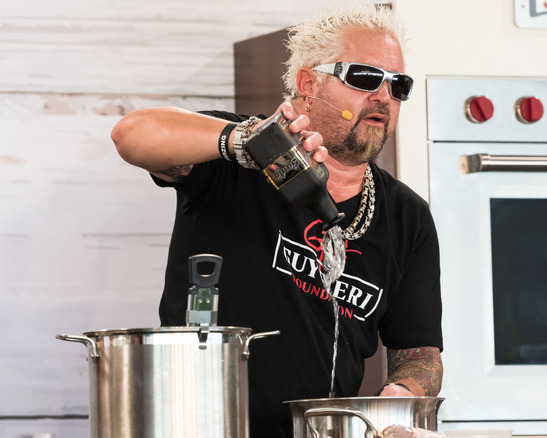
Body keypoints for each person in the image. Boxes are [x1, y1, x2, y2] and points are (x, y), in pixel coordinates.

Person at [110, 3, 443, 437]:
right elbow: (130, 134)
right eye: (364, 77)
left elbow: (419, 351)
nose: (384, 96)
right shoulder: (235, 159)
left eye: (398, 85)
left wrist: (402, 394)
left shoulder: (407, 216)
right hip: (198, 424)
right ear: (309, 83)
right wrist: (242, 142)